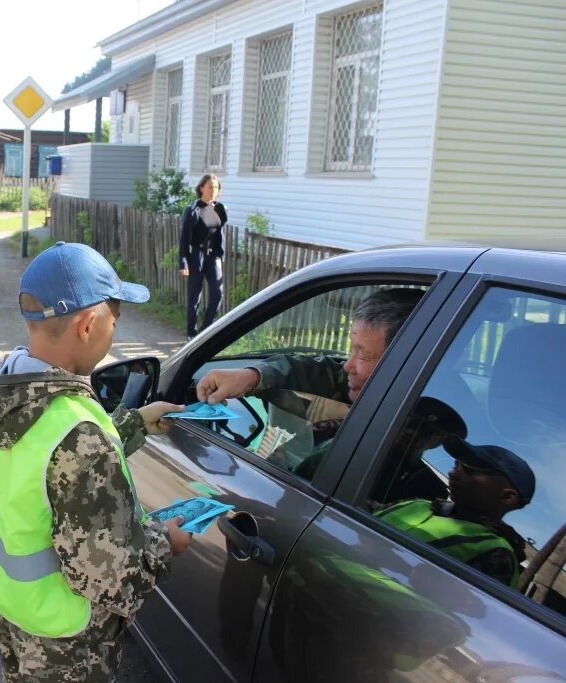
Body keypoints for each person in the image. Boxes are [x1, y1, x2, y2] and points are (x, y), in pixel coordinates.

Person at [0, 241, 193, 681]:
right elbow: (110, 577)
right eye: (115, 319)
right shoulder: (77, 433)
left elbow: (50, 468)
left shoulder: (10, 395)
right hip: (66, 644)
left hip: (20, 611)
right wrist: (167, 543)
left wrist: (134, 424)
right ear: (89, 323)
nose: (115, 330)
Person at [196, 288, 424, 474]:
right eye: (350, 350)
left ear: (404, 364)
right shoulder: (386, 393)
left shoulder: (406, 435)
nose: (348, 365)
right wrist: (252, 376)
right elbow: (321, 371)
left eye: (363, 354)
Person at [376, 435, 535, 587]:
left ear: (507, 496)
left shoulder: (495, 554)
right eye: (456, 465)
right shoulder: (417, 504)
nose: (452, 473)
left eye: (470, 470)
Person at [178, 174, 228, 340]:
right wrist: (183, 262)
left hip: (212, 256)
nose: (213, 190)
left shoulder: (220, 209)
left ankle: (205, 331)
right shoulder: (193, 210)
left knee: (217, 293)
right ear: (201, 189)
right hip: (196, 255)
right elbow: (185, 238)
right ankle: (191, 334)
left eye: (216, 188)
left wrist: (220, 256)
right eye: (210, 187)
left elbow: (220, 235)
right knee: (195, 297)